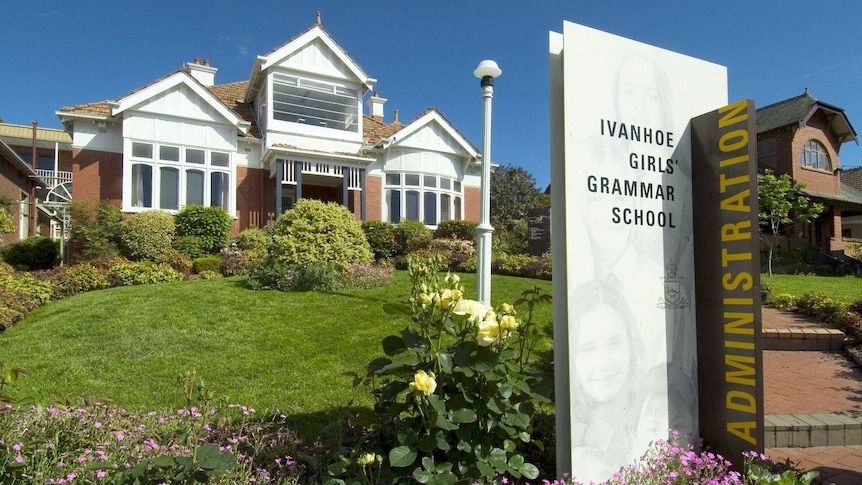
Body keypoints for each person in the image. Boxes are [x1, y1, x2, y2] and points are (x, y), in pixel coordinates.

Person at [569, 281, 645, 483]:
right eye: (587, 348)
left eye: (614, 343)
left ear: (631, 345)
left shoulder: (652, 419)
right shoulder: (571, 443)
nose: (603, 363)